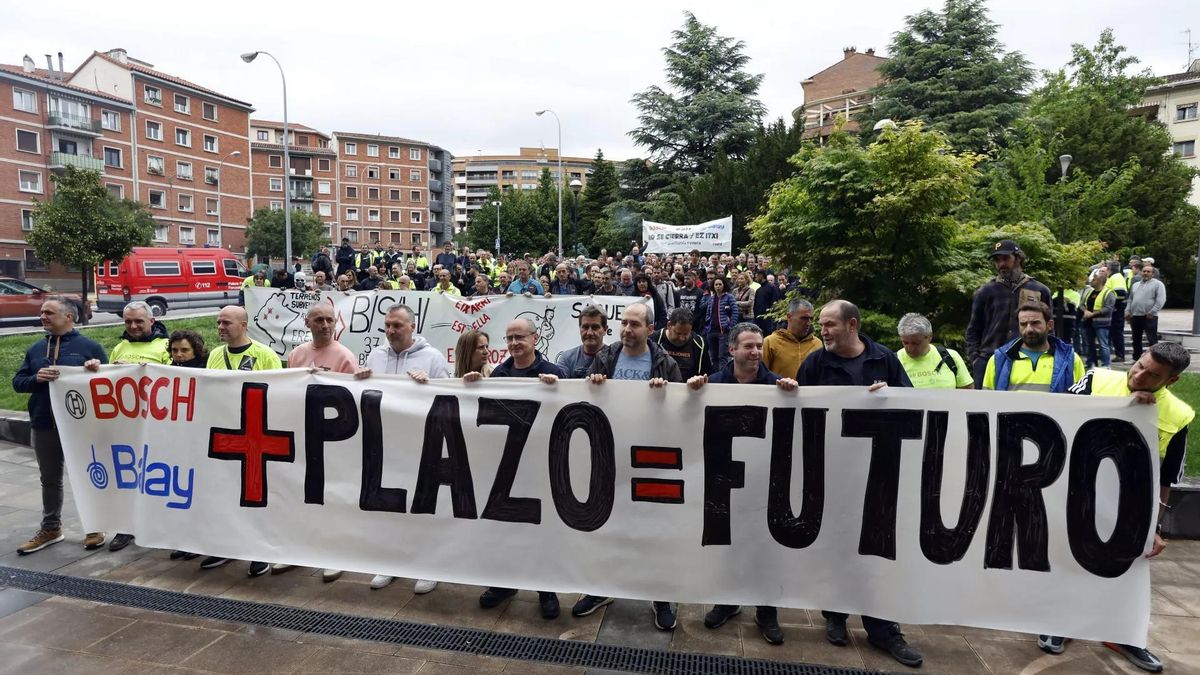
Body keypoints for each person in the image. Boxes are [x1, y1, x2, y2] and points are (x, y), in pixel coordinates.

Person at [796, 299, 922, 668]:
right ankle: (835, 614)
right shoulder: (817, 362)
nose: (823, 331)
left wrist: (892, 397)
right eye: (822, 324)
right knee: (836, 546)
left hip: (878, 474)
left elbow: (915, 403)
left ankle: (883, 629)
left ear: (852, 325)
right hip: (832, 473)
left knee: (875, 551)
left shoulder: (884, 360)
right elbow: (797, 406)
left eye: (830, 324)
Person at [1062, 342, 1193, 672]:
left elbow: (1167, 478)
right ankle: (1059, 624)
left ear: (1171, 381)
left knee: (1129, 572)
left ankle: (1123, 634)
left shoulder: (1178, 415)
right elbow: (1057, 414)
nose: (1139, 375)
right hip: (1076, 492)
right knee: (1067, 563)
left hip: (1130, 506)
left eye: (1153, 375)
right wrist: (1124, 406)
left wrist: (1156, 527)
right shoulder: (1096, 379)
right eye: (1139, 365)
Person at [575, 302, 684, 629]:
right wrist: (592, 386)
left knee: (654, 530)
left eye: (635, 324)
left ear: (651, 329)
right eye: (624, 322)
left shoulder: (665, 363)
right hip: (611, 457)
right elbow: (586, 405)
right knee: (607, 526)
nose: (627, 329)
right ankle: (602, 587)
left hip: (651, 458)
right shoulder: (605, 359)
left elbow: (681, 415)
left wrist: (667, 396)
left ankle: (660, 595)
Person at [686, 322, 795, 646]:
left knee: (765, 547)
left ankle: (767, 611)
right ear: (731, 350)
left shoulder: (777, 385)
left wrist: (794, 394)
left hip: (764, 480)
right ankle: (728, 601)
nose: (756, 352)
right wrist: (691, 392)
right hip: (725, 480)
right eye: (748, 346)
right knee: (728, 545)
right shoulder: (714, 384)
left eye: (759, 346)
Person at [269, 304, 376, 585]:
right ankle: (296, 551)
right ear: (308, 323)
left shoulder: (345, 356)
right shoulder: (297, 354)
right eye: (319, 319)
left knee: (331, 497)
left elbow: (354, 399)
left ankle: (334, 555)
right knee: (298, 494)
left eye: (329, 320)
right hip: (302, 435)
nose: (325, 324)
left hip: (333, 440)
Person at [477, 318, 567, 620]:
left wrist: (558, 391)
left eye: (520, 337)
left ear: (535, 338)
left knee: (542, 529)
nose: (514, 343)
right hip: (507, 463)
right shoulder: (500, 374)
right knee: (506, 528)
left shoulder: (555, 373)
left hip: (541, 463)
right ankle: (505, 583)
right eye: (509, 338)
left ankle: (546, 589)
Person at [361, 303, 448, 592]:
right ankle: (392, 561)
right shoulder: (375, 355)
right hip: (385, 442)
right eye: (387, 325)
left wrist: (429, 385)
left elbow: (448, 398)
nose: (391, 331)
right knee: (389, 504)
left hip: (422, 442)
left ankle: (427, 564)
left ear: (412, 326)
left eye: (397, 325)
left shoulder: (432, 357)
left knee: (423, 504)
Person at [13, 298, 108, 555]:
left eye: (49, 312)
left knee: (89, 476)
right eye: (42, 312)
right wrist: (36, 378)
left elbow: (108, 383)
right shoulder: (35, 349)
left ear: (69, 316)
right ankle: (51, 528)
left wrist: (95, 371)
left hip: (81, 425)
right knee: (50, 480)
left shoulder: (89, 347)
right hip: (44, 423)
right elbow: (18, 382)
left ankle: (94, 526)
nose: (42, 316)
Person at [201, 306, 282, 577]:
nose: (220, 327)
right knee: (224, 492)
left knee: (255, 494)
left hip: (255, 435)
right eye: (218, 323)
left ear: (244, 325)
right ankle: (226, 546)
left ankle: (259, 550)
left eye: (226, 323)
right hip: (224, 433)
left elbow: (280, 393)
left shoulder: (265, 355)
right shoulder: (214, 355)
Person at [105, 301, 172, 552]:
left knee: (159, 476)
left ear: (151, 322)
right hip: (126, 423)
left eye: (139, 321)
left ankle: (159, 523)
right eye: (128, 321)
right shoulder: (120, 347)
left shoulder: (165, 346)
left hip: (157, 424)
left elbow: (177, 376)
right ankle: (127, 527)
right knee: (128, 476)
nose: (133, 326)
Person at [965, 239, 1052, 388]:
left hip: (1024, 359)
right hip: (988, 359)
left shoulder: (1039, 290)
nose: (1001, 264)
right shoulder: (985, 291)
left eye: (1005, 258)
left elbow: (1048, 326)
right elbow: (973, 329)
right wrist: (975, 359)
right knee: (984, 406)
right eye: (997, 260)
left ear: (1018, 258)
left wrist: (1050, 354)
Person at [165, 329, 207, 562]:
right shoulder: (166, 372)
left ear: (196, 351)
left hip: (198, 441)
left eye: (184, 350)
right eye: (174, 350)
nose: (178, 355)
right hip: (177, 441)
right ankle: (185, 539)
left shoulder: (207, 371)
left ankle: (198, 540)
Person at [983, 301, 1084, 393]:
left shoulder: (1071, 360)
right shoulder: (999, 359)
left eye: (1035, 323)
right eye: (1023, 324)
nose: (1029, 329)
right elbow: (987, 401)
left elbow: (1081, 399)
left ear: (1049, 325)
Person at [895, 313, 973, 389]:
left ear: (930, 337)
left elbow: (968, 393)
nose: (910, 348)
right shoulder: (894, 361)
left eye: (916, 343)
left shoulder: (950, 356)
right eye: (905, 343)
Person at [762, 298, 821, 379]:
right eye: (804, 318)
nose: (808, 323)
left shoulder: (817, 344)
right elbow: (761, 374)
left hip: (810, 391)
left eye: (811, 319)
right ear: (789, 317)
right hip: (780, 391)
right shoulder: (770, 342)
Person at [653, 307, 711, 380]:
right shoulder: (655, 340)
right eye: (678, 333)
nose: (682, 338)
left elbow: (707, 375)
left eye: (686, 334)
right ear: (669, 325)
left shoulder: (699, 344)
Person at [1127, 263, 1166, 361]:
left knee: (1152, 339)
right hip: (1135, 315)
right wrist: (1127, 311)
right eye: (1144, 271)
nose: (1145, 273)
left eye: (1148, 271)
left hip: (1149, 316)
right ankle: (1136, 358)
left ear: (1153, 274)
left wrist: (1152, 312)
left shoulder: (1158, 284)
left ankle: (1155, 359)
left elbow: (1161, 300)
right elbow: (1130, 299)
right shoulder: (1135, 285)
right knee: (1136, 339)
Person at [557, 304, 608, 378]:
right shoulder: (567, 358)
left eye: (595, 327)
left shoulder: (613, 358)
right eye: (585, 327)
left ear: (605, 329)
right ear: (580, 328)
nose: (589, 333)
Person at [701, 277, 740, 370]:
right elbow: (708, 312)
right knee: (713, 357)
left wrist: (730, 325)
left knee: (722, 355)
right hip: (711, 330)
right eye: (716, 285)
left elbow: (735, 312)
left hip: (723, 331)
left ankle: (723, 377)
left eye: (720, 284)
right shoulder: (711, 298)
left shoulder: (729, 297)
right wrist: (708, 325)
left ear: (724, 285)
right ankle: (715, 376)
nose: (718, 287)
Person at [1080, 269, 1114, 369]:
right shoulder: (1090, 292)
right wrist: (1085, 311)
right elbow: (1082, 304)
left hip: (1101, 323)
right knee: (1090, 344)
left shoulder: (1108, 293)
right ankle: (1091, 363)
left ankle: (1106, 364)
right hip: (1088, 322)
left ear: (1099, 281)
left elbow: (1108, 308)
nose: (1091, 281)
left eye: (1094, 280)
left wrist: (1093, 314)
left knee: (1103, 344)